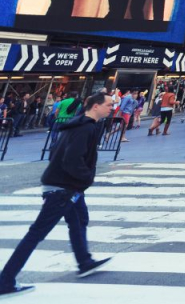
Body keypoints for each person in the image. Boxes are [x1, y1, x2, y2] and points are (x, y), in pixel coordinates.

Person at [0, 93, 113, 297]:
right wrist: (87, 179)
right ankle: (5, 280)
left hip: (67, 186)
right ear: (95, 106)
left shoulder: (77, 124)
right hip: (63, 188)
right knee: (36, 233)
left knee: (79, 220)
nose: (111, 108)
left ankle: (84, 261)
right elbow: (72, 159)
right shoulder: (86, 127)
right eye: (108, 105)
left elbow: (56, 152)